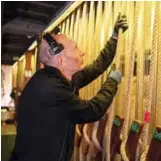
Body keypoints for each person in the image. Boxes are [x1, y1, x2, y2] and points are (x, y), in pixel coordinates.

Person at [9, 15, 128, 161]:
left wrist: (114, 37)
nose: (82, 52)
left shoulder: (56, 79)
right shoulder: (50, 89)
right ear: (61, 60)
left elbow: (97, 67)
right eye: (76, 48)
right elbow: (92, 110)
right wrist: (112, 81)